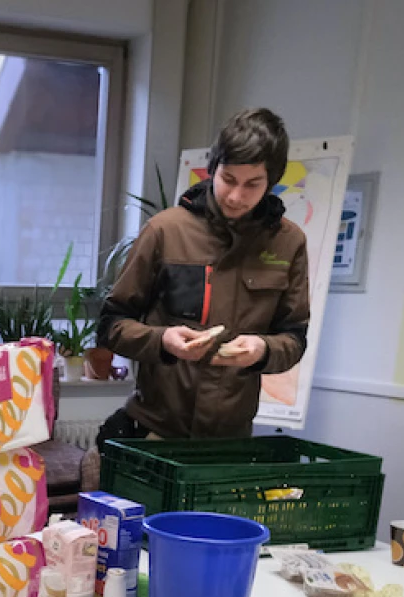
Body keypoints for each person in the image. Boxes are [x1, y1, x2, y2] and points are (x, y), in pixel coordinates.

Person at [96, 108, 310, 440]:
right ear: (213, 169)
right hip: (156, 431)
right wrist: (162, 340)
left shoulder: (288, 242)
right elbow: (111, 325)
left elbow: (294, 339)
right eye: (229, 179)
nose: (236, 196)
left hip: (231, 440)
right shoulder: (166, 230)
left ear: (271, 182)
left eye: (252, 184)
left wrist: (262, 350)